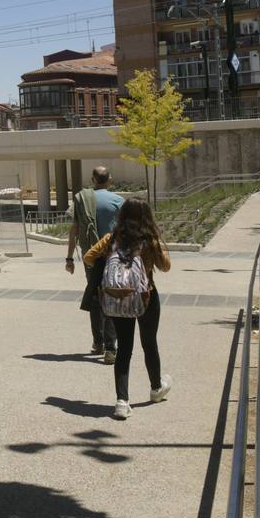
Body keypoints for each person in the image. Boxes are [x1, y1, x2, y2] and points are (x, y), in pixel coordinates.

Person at [83, 198, 172, 420]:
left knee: (124, 348)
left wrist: (112, 269)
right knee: (149, 343)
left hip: (118, 298)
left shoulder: (110, 239)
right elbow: (166, 266)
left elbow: (88, 257)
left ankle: (122, 401)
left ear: (122, 216)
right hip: (146, 297)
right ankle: (156, 387)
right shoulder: (150, 240)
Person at [65, 166, 124, 363]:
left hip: (91, 257)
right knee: (111, 298)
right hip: (113, 257)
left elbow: (74, 230)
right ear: (110, 179)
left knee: (95, 295)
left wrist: (69, 258)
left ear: (93, 179)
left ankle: (97, 342)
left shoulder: (82, 199)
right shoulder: (118, 201)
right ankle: (110, 348)